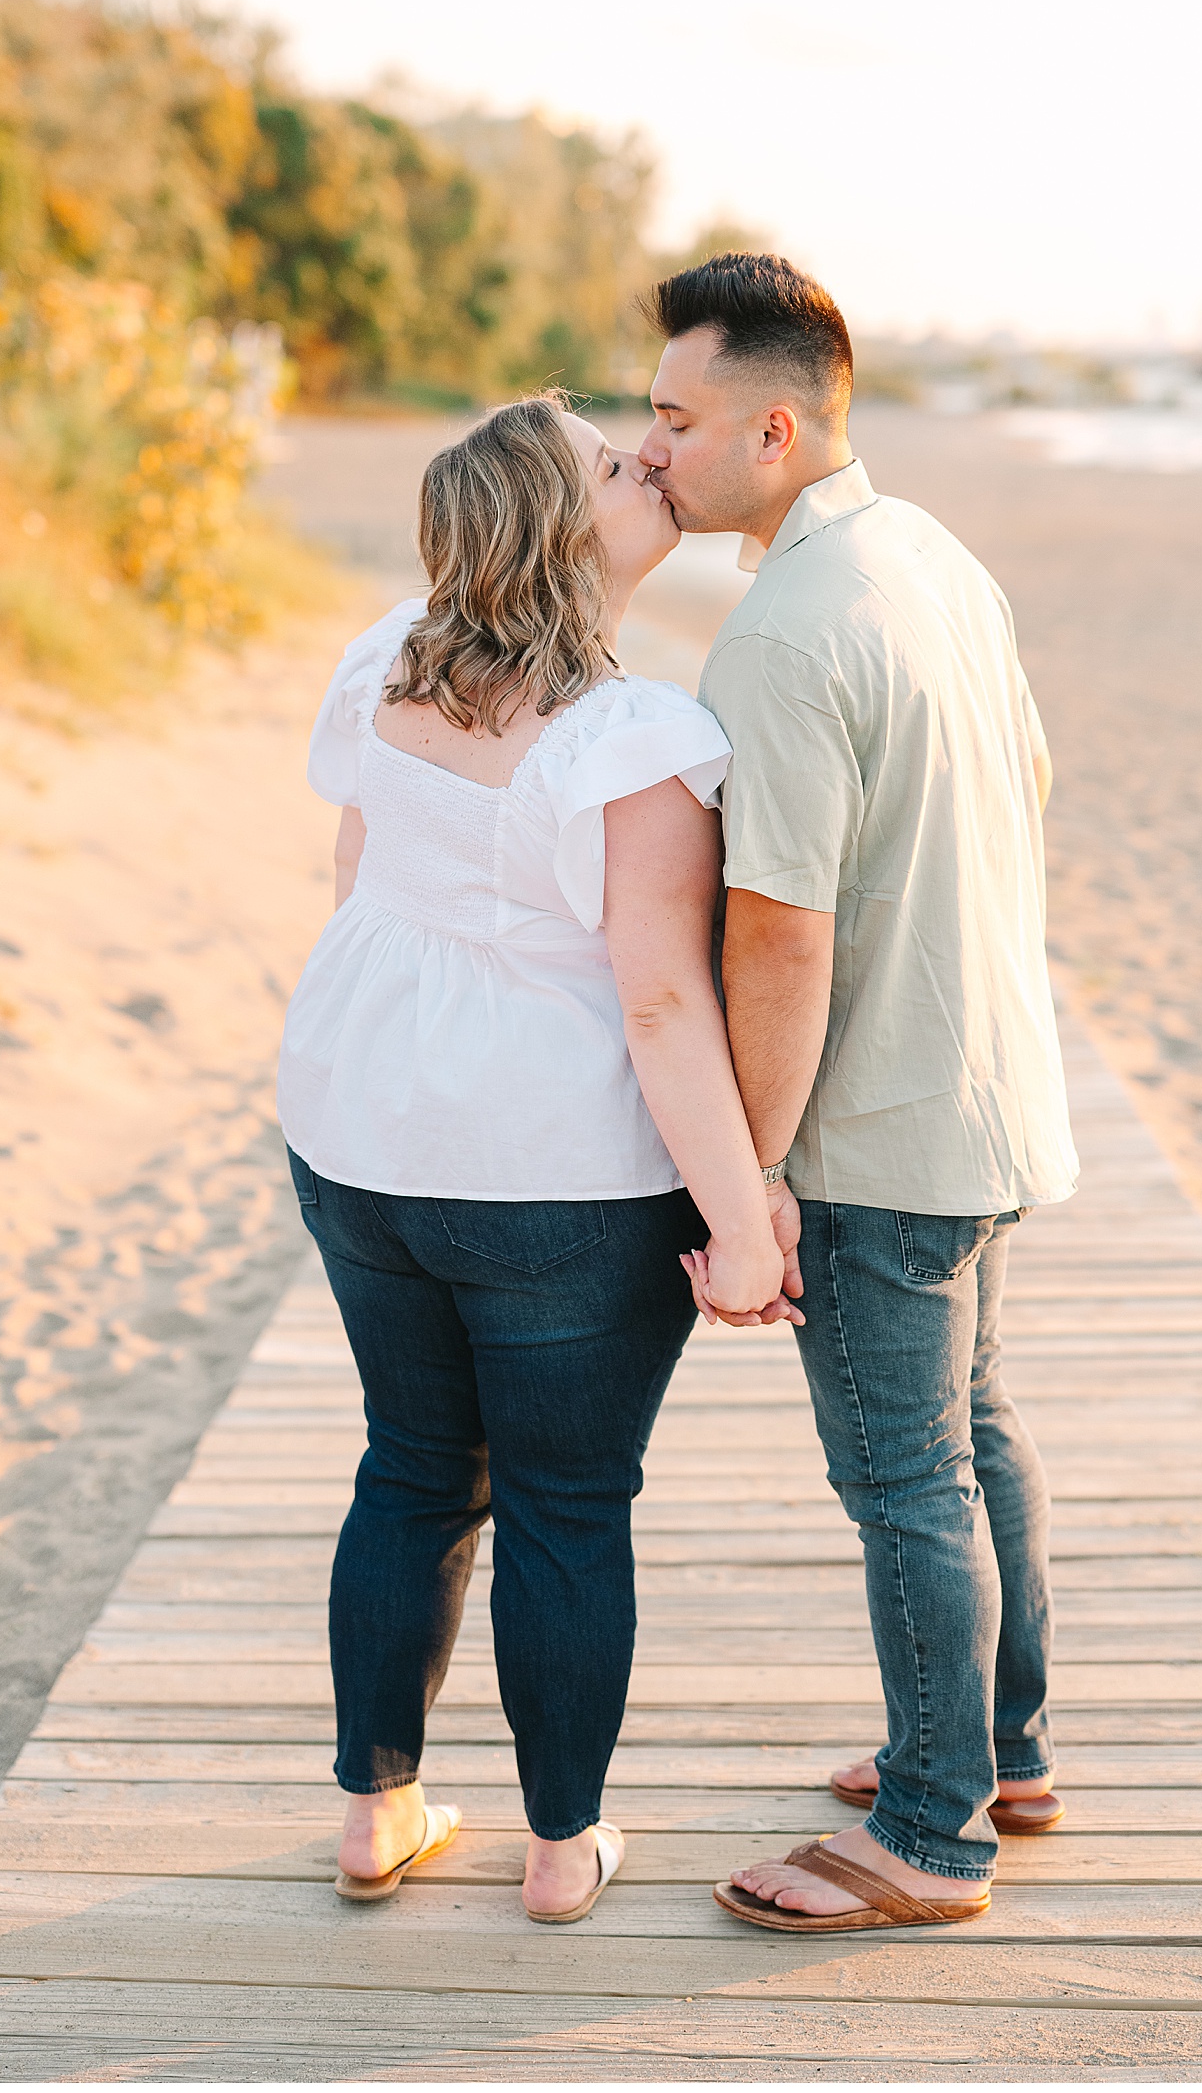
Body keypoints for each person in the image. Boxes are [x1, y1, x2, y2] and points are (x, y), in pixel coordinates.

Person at [276, 394, 800, 1925]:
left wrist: (390, 1051)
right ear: (556, 531)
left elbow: (358, 864)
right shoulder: (633, 737)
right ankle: (562, 1851)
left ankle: (378, 1815)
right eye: (608, 462)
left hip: (359, 1127)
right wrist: (743, 1225)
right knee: (568, 1502)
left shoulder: (387, 655)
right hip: (553, 1172)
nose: (644, 461)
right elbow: (658, 998)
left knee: (414, 1467)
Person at [640, 255, 1080, 1933]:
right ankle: (1003, 1750)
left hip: (885, 1129)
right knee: (975, 1437)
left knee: (905, 1475)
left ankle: (930, 1831)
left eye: (676, 419)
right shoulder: (936, 559)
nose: (654, 447)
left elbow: (780, 943)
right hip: (992, 1090)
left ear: (773, 425)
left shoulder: (780, 636)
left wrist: (742, 1181)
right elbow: (1028, 780)